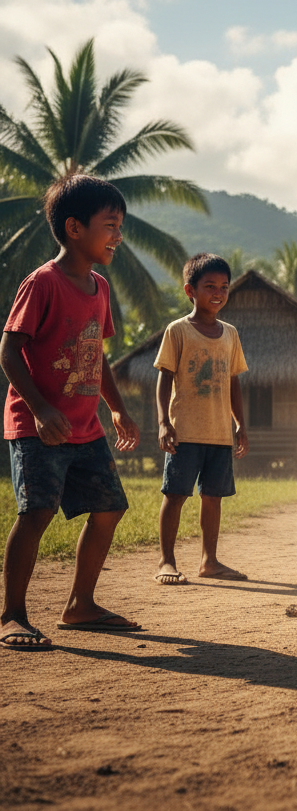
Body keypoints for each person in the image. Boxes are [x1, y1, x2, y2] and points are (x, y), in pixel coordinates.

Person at [0, 175, 140, 649]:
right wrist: (39, 408)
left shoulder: (99, 287)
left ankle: (81, 605)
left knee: (110, 507)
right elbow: (8, 350)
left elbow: (95, 355)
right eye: (110, 225)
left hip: (85, 427)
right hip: (38, 426)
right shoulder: (42, 282)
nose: (118, 235)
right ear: (75, 228)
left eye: (120, 226)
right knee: (36, 511)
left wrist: (117, 409)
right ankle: (12, 616)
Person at [153, 253, 249, 586]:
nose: (218, 293)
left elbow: (234, 381)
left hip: (219, 432)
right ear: (190, 290)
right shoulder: (178, 330)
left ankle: (210, 561)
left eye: (224, 286)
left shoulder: (230, 334)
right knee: (175, 495)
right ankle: (167, 561)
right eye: (210, 286)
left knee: (213, 497)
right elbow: (164, 378)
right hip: (185, 431)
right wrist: (164, 422)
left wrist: (240, 424)